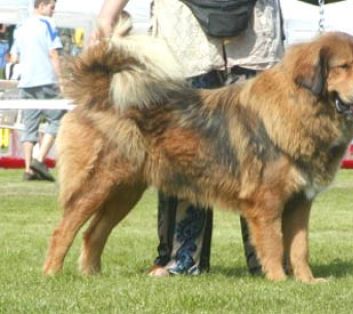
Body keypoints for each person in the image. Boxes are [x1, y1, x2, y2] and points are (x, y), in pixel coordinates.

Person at [96, 0, 285, 276]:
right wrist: (108, 11)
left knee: (265, 159)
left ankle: (270, 262)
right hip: (186, 33)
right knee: (182, 153)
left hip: (254, 31)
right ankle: (182, 259)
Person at [10, 0, 64, 181]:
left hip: (26, 81)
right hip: (46, 79)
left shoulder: (21, 28)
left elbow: (13, 57)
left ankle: (28, 169)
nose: (53, 11)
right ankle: (40, 160)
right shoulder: (47, 24)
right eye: (51, 7)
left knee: (29, 124)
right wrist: (61, 79)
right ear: (41, 6)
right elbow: (54, 53)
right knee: (58, 118)